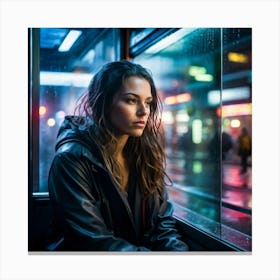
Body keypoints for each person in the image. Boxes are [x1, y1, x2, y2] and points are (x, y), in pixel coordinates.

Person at [47, 60, 189, 251]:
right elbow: (94, 241)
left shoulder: (144, 156)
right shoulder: (71, 159)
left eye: (148, 102)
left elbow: (162, 225)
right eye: (131, 100)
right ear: (103, 103)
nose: (143, 111)